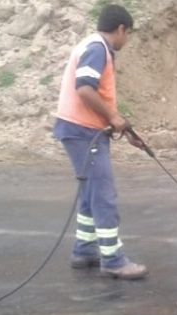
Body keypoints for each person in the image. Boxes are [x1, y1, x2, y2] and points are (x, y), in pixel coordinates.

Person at [53, 4, 148, 280]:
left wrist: (122, 127)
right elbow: (85, 89)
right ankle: (113, 260)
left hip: (81, 129)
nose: (126, 41)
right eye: (127, 34)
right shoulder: (98, 49)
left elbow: (97, 95)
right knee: (103, 195)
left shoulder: (93, 46)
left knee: (91, 193)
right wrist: (114, 117)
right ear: (121, 29)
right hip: (82, 131)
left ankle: (84, 250)